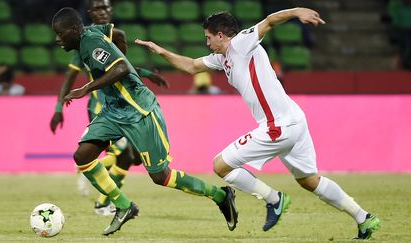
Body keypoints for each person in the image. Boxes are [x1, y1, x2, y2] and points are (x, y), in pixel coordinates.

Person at [135, 8, 380, 240]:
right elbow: (191, 66)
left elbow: (270, 21)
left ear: (221, 35)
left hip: (279, 125)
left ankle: (273, 199)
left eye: (209, 37)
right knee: (309, 180)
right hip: (294, 119)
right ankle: (364, 218)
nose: (207, 42)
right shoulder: (222, 59)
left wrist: (296, 12)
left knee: (221, 165)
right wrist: (160, 51)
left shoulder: (242, 43)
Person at [51, 7, 238, 236]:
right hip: (113, 110)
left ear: (73, 30)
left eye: (60, 34)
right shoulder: (90, 35)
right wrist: (123, 57)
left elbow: (119, 67)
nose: (57, 39)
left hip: (139, 110)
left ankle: (221, 196)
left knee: (161, 176)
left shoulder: (90, 43)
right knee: (83, 156)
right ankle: (123, 206)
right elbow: (118, 34)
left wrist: (87, 87)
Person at [50, 0, 169, 216]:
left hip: (123, 107)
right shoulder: (81, 42)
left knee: (130, 158)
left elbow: (122, 66)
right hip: (102, 107)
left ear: (111, 10)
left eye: (105, 7)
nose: (102, 12)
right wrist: (59, 107)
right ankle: (103, 200)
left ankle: (106, 198)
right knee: (124, 154)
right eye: (97, 8)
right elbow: (70, 78)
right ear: (90, 14)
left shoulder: (106, 37)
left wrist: (150, 75)